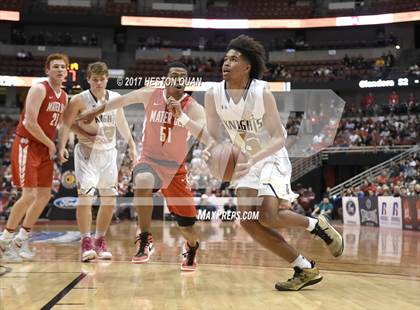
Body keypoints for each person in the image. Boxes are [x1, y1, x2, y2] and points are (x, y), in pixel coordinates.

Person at [204, 35, 343, 291]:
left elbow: (280, 137)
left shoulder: (260, 91)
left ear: (247, 66)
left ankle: (316, 225)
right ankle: (304, 268)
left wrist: (252, 159)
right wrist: (209, 152)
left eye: (234, 59)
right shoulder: (212, 94)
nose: (226, 63)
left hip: (269, 155)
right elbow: (212, 135)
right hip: (245, 159)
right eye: (225, 58)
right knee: (247, 219)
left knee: (268, 215)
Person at [77, 62, 213, 271]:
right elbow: (122, 100)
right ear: (167, 80)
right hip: (150, 160)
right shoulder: (151, 94)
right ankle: (145, 238)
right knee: (141, 181)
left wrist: (182, 117)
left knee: (188, 226)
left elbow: (206, 137)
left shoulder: (194, 107)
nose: (178, 79)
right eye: (174, 75)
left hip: (175, 169)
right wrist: (94, 110)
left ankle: (192, 247)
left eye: (182, 76)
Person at [58, 61, 137, 262]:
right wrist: (68, 143)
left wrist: (132, 144)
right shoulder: (78, 100)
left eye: (102, 79)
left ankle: (100, 239)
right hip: (86, 153)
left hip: (109, 153)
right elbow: (66, 123)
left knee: (109, 199)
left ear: (107, 79)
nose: (99, 83)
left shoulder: (115, 98)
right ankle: (86, 241)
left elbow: (121, 122)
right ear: (88, 79)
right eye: (95, 79)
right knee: (85, 198)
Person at [0, 53, 69, 263]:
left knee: (44, 196)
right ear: (47, 70)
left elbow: (61, 125)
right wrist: (51, 144)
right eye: (55, 66)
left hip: (44, 148)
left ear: (67, 72)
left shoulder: (64, 96)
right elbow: (30, 123)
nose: (59, 70)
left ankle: (21, 240)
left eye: (63, 67)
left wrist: (62, 146)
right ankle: (6, 240)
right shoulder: (39, 89)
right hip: (27, 145)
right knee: (28, 195)